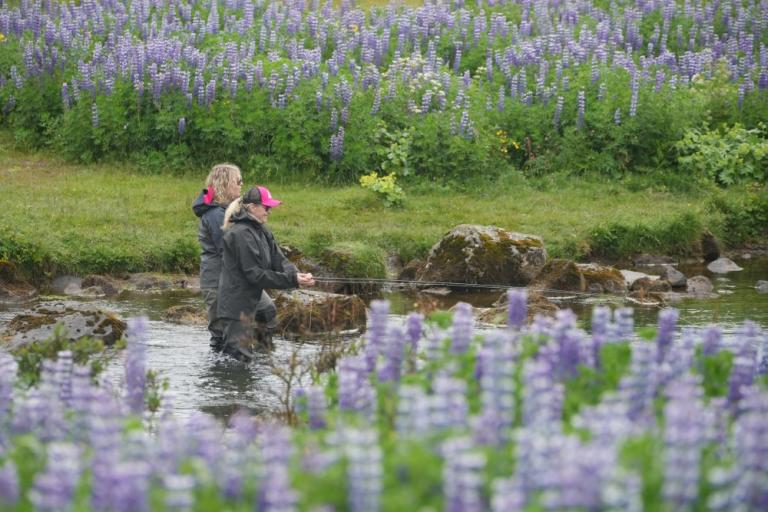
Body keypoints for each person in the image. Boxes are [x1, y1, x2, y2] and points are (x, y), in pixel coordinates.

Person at [217, 185, 315, 361]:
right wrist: (291, 280)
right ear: (253, 207)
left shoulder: (262, 230)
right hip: (236, 305)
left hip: (251, 297)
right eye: (266, 207)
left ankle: (264, 358)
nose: (269, 211)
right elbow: (255, 275)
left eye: (270, 208)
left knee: (268, 311)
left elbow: (279, 259)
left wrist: (297, 275)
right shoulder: (240, 234)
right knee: (238, 360)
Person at [192, 163, 243, 352]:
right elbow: (227, 249)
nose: (241, 184)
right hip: (216, 281)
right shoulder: (215, 214)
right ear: (224, 183)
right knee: (220, 334)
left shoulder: (226, 210)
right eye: (238, 181)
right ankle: (219, 375)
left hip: (227, 279)